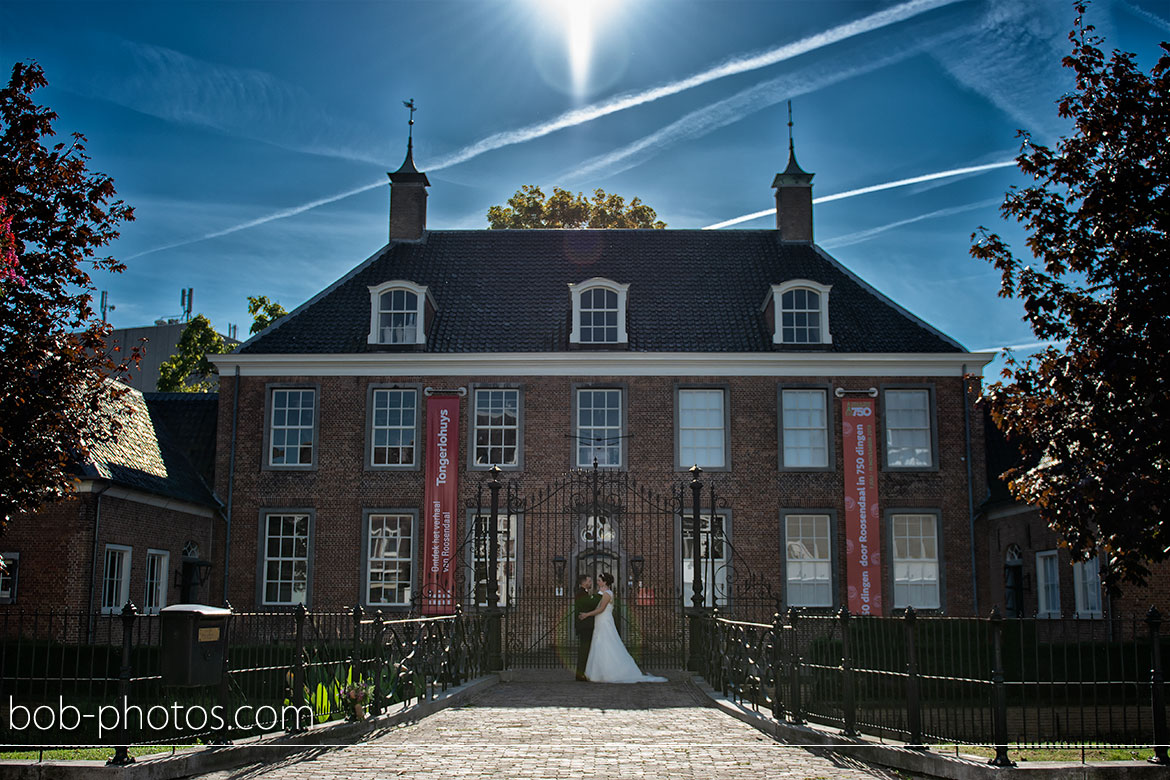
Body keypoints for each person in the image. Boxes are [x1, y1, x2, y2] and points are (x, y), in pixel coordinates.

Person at [578, 572, 667, 683]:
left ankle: (610, 671)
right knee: (599, 644)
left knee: (606, 644)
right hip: (600, 621)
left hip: (604, 621)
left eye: (599, 580)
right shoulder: (602, 593)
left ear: (605, 582)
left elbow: (601, 609)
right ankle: (599, 672)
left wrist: (587, 614)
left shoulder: (607, 594)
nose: (597, 582)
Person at [573, 573, 600, 681]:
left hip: (587, 626)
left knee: (586, 650)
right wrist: (600, 595)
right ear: (583, 582)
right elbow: (590, 604)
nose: (590, 583)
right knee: (584, 650)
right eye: (589, 581)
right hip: (585, 626)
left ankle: (583, 672)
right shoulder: (580, 593)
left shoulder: (584, 593)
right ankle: (580, 674)